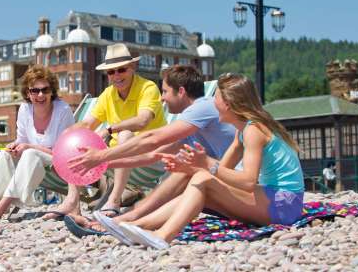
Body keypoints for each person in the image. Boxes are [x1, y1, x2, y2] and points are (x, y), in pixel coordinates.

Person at [101, 73, 305, 249]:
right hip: (274, 199)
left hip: (284, 203)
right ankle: (137, 225)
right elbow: (221, 172)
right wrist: (192, 167)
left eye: (215, 97)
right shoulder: (242, 132)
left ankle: (161, 236)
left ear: (228, 103)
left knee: (204, 178)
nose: (212, 102)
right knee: (202, 180)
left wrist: (205, 164)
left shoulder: (254, 130)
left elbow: (248, 181)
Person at [69, 65, 235, 225]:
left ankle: (129, 222)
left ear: (182, 92)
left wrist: (101, 155)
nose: (162, 98)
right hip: (222, 190)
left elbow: (152, 138)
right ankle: (128, 221)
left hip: (237, 189)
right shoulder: (192, 129)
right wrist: (99, 163)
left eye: (165, 91)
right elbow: (150, 156)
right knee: (185, 173)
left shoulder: (202, 108)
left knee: (186, 174)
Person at [72, 43, 166, 216]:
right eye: (111, 72)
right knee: (79, 143)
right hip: (118, 158)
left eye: (121, 69)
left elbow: (142, 121)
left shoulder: (148, 88)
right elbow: (86, 125)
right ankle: (72, 204)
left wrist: (110, 129)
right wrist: (67, 137)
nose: (116, 75)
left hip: (152, 158)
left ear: (132, 68)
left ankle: (115, 200)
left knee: (125, 135)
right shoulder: (108, 94)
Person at [0, 65, 77, 220]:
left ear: (52, 91)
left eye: (45, 90)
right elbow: (22, 140)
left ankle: (2, 206)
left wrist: (28, 146)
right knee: (4, 154)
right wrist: (15, 146)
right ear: (28, 93)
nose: (40, 94)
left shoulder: (62, 110)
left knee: (30, 153)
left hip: (59, 164)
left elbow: (64, 152)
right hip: (33, 162)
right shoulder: (24, 109)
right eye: (35, 90)